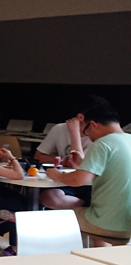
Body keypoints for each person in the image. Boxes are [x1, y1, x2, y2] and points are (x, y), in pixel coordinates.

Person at [47, 104, 131, 244]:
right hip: (127, 224)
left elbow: (79, 180)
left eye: (86, 132)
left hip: (105, 223)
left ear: (93, 125)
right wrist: (83, 163)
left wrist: (57, 175)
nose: (89, 137)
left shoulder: (102, 144)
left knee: (49, 218)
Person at [36, 95, 109, 209]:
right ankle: (86, 207)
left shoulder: (101, 135)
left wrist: (75, 133)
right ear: (80, 117)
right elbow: (38, 156)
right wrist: (62, 162)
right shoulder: (59, 129)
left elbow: (79, 166)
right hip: (66, 182)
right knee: (49, 198)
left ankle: (89, 207)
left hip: (90, 184)